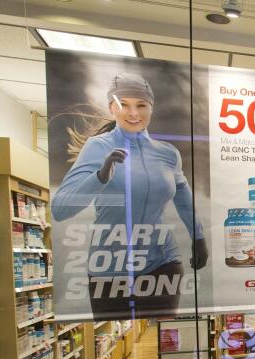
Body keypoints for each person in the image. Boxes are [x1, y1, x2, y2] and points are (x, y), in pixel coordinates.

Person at [51, 73, 208, 319]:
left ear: (151, 108)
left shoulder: (167, 153)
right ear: (112, 107)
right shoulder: (97, 147)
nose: (134, 113)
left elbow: (183, 197)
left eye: (141, 105)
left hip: (162, 263)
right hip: (109, 268)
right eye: (124, 105)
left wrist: (198, 238)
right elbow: (60, 209)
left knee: (165, 341)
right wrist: (100, 177)